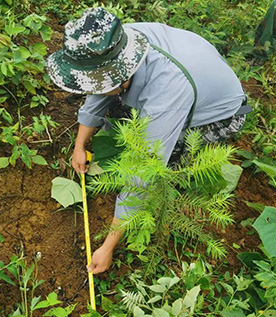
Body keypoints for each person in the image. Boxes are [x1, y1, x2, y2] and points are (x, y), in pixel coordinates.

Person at [46, 7, 250, 274]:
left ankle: (165, 198)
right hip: (188, 78)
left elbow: (143, 171)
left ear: (121, 74)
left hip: (219, 114)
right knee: (124, 115)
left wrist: (107, 247)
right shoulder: (115, 44)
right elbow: (98, 88)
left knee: (163, 164)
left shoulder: (166, 93)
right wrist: (79, 145)